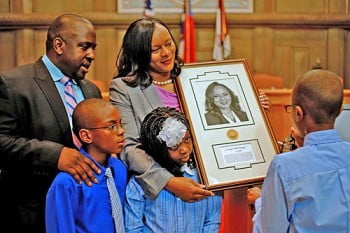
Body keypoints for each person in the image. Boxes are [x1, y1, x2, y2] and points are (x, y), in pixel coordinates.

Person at [110, 17, 271, 202]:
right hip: (161, 189)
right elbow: (129, 148)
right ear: (139, 53)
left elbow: (220, 125)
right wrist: (169, 182)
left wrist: (253, 108)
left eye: (169, 44)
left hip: (214, 179)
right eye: (155, 49)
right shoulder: (124, 88)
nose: (166, 53)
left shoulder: (195, 77)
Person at [0, 14, 101, 232]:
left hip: (84, 212)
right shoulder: (14, 84)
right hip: (35, 213)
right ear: (59, 45)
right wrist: (55, 155)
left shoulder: (91, 90)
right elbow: (2, 142)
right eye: (85, 47)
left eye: (93, 48)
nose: (92, 55)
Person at [252, 69, 350, 233]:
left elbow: (270, 229)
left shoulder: (284, 166)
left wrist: (261, 202)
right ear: (339, 111)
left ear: (298, 113)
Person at [124, 107, 222, 232]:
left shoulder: (205, 175)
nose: (184, 149)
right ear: (157, 148)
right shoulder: (139, 183)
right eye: (174, 145)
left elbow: (212, 220)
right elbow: (133, 228)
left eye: (187, 139)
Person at [46, 98, 127, 233]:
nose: (121, 131)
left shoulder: (118, 168)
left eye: (120, 124)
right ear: (86, 135)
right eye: (111, 127)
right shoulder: (67, 183)